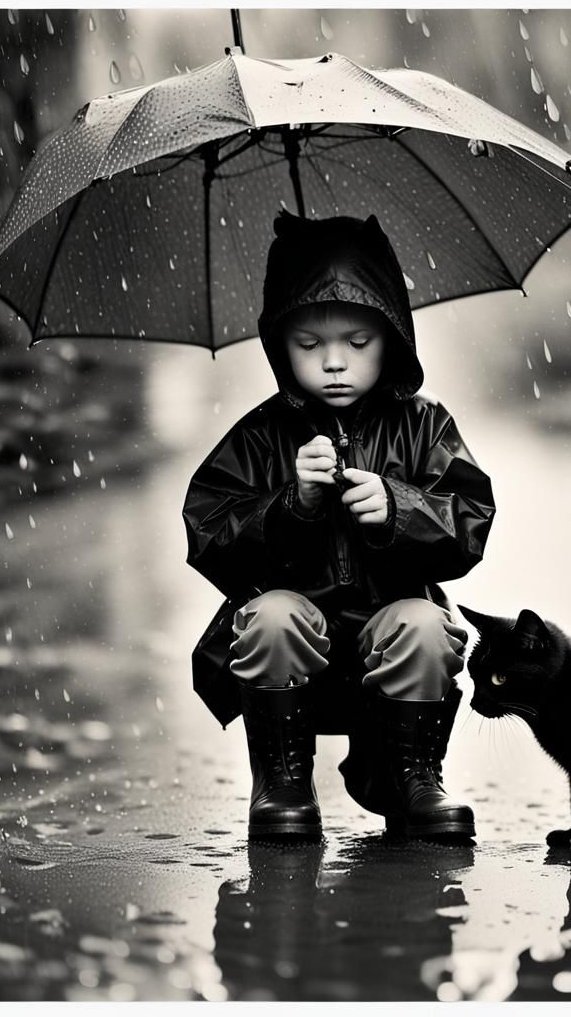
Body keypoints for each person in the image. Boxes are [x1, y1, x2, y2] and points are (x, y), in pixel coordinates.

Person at [183, 211, 496, 842]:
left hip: (389, 649)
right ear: (280, 345)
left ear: (391, 338)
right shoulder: (260, 436)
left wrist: (400, 508)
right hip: (296, 662)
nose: (333, 362)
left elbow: (469, 523)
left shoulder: (424, 426)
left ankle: (412, 775)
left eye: (357, 342)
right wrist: (290, 506)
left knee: (426, 625)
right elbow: (209, 534)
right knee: (268, 616)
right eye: (309, 345)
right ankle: (283, 783)